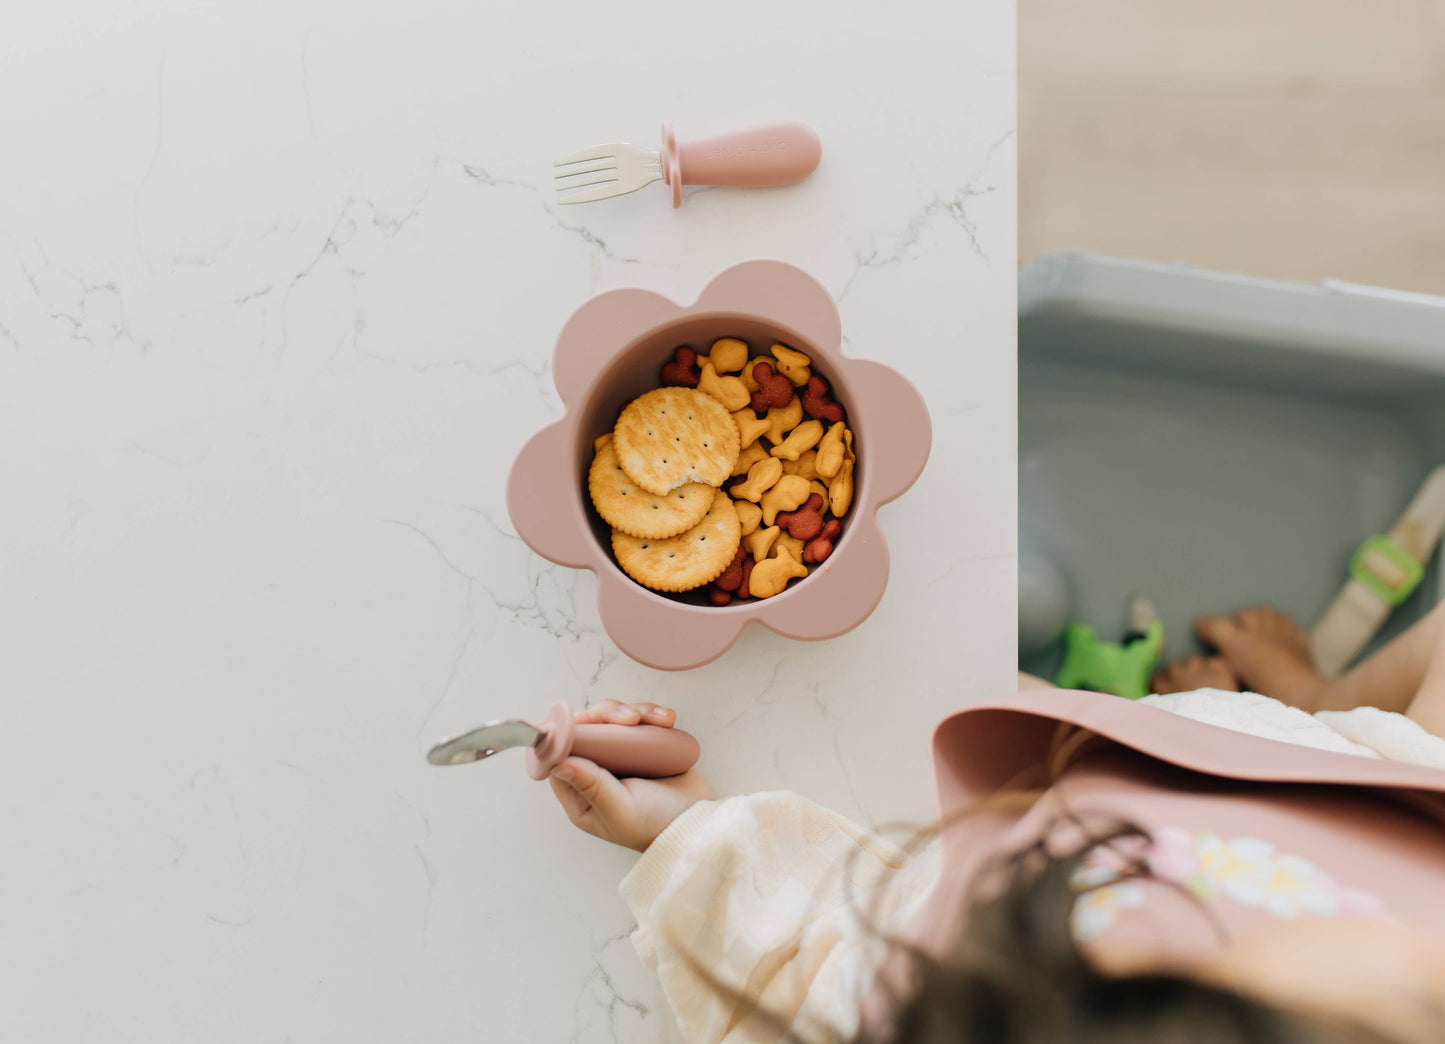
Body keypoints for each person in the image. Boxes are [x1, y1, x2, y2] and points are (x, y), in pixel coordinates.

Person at [547, 601, 1445, 1044]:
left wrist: (685, 833)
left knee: (990, 692)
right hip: (1387, 781)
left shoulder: (934, 988)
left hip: (1096, 786)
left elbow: (793, 970)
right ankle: (1320, 694)